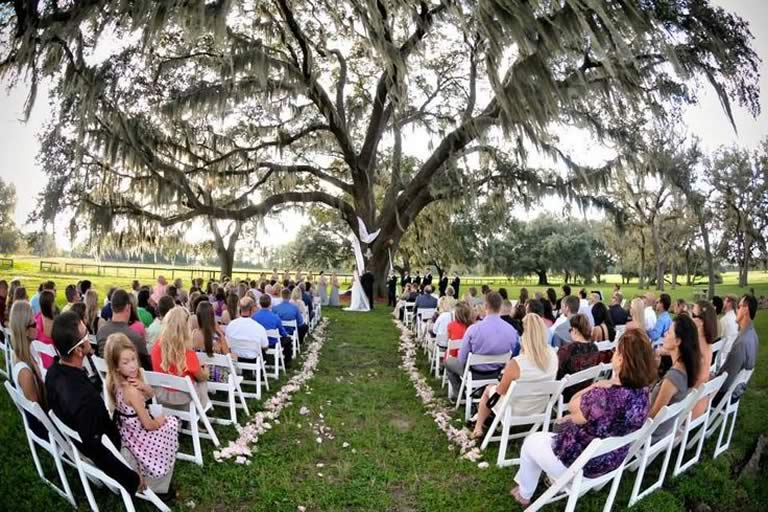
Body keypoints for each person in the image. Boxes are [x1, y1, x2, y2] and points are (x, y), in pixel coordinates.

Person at [510, 329, 655, 506]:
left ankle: (524, 494)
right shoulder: (644, 394)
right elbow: (591, 419)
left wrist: (597, 385)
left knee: (530, 442)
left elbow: (572, 405)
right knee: (555, 430)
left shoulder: (603, 395)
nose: (614, 354)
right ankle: (527, 484)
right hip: (612, 460)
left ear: (621, 359)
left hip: (580, 464)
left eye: (617, 351)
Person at [46, 311, 141, 496]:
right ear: (78, 350)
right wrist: (132, 478)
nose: (89, 334)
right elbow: (97, 448)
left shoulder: (52, 373)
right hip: (110, 447)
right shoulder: (86, 399)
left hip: (78, 437)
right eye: (85, 333)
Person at [105, 333, 178, 496]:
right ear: (116, 366)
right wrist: (160, 420)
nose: (132, 366)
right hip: (139, 436)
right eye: (126, 362)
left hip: (128, 433)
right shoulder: (131, 391)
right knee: (172, 424)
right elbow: (149, 425)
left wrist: (144, 387)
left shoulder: (115, 383)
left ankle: (159, 480)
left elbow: (151, 394)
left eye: (133, 359)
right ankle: (159, 482)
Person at [471, 313, 558, 438]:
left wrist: (503, 375)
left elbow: (501, 391)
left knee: (488, 389)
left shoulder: (517, 363)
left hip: (515, 409)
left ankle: (478, 428)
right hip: (539, 407)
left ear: (523, 336)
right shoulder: (552, 355)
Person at [445, 293, 519, 400]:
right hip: (498, 371)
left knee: (449, 362)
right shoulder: (511, 331)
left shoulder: (474, 329)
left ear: (485, 306)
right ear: (501, 307)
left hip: (474, 372)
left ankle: (459, 394)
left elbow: (462, 359)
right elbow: (513, 355)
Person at [648, 314, 700, 440]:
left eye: (669, 332)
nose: (665, 334)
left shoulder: (673, 378)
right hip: (664, 430)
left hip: (651, 435)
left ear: (678, 341)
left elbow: (653, 416)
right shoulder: (688, 367)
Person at [151, 307, 209, 408]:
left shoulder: (156, 347)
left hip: (161, 395)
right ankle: (203, 407)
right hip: (182, 398)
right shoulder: (187, 352)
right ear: (186, 327)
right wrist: (206, 372)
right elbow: (200, 377)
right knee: (202, 381)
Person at [9, 300, 48, 437]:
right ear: (25, 331)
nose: (37, 326)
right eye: (34, 324)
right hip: (44, 426)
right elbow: (39, 415)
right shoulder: (25, 372)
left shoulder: (27, 349)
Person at [714, 294, 758, 407]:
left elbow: (726, 380)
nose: (736, 310)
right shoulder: (752, 335)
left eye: (738, 307)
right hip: (736, 392)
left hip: (725, 396)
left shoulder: (742, 342)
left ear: (745, 310)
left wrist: (712, 380)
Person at [97, 289, 151, 370]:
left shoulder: (101, 332)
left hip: (107, 377)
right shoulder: (135, 338)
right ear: (128, 307)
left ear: (112, 307)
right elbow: (148, 368)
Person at [556, 314, 601, 397]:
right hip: (585, 391)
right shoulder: (594, 348)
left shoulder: (566, 350)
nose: (569, 333)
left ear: (575, 330)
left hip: (565, 394)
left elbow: (557, 374)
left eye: (570, 330)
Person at [225, 297, 269, 372]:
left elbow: (227, 343)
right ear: (252, 310)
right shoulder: (258, 327)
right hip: (253, 358)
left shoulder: (231, 325)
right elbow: (265, 346)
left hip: (236, 357)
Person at [690, 300, 718, 417]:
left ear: (701, 322)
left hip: (691, 407)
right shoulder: (707, 343)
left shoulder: (697, 349)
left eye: (693, 315)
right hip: (702, 402)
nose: (690, 318)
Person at [252, 294, 292, 365]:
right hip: (272, 343)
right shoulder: (275, 317)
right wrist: (286, 334)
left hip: (259, 343)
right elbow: (282, 332)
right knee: (288, 340)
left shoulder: (254, 317)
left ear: (260, 304)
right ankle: (287, 362)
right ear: (270, 304)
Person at [719, 294, 739, 361]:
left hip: (724, 353)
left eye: (724, 301)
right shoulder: (735, 317)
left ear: (729, 303)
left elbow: (718, 337)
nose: (722, 303)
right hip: (733, 351)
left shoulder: (725, 319)